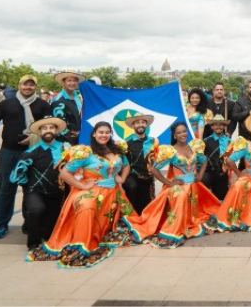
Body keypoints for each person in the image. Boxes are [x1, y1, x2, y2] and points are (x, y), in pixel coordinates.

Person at [28, 121, 134, 268]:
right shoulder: (86, 152)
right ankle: (84, 241)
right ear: (94, 134)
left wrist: (120, 179)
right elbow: (65, 174)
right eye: (100, 132)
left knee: (133, 224)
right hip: (93, 190)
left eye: (106, 132)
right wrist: (82, 185)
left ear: (110, 134)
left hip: (114, 192)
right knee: (87, 206)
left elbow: (126, 165)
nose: (104, 135)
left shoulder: (117, 150)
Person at [124, 122, 220, 248]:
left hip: (194, 185)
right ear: (174, 135)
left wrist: (200, 175)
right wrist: (169, 182)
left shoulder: (194, 146)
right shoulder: (170, 151)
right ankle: (174, 228)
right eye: (179, 132)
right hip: (179, 186)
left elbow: (204, 160)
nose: (183, 134)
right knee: (182, 195)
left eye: (184, 131)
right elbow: (153, 169)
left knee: (214, 208)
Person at [0, 74, 51, 239]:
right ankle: (1, 223)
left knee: (31, 189)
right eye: (25, 84)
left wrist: (35, 138)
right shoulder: (6, 104)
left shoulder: (42, 105)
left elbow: (49, 128)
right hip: (9, 152)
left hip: (33, 152)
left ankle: (30, 222)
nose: (28, 88)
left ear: (35, 87)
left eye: (31, 85)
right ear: (19, 85)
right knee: (6, 189)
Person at [9, 116, 69, 250]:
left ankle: (47, 234)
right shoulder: (31, 152)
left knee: (50, 233)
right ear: (40, 132)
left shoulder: (66, 149)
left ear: (56, 130)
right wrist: (28, 184)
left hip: (58, 194)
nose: (48, 131)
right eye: (44, 128)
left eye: (51, 127)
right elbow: (14, 176)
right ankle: (33, 243)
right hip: (36, 192)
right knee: (36, 209)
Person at [121, 113, 159, 215]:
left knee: (145, 208)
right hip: (132, 176)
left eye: (143, 122)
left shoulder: (153, 141)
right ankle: (130, 215)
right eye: (137, 123)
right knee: (132, 187)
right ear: (133, 126)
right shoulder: (127, 143)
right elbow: (123, 163)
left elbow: (157, 159)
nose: (140, 125)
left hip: (147, 178)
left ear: (146, 125)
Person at [202, 114, 233, 200]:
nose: (218, 126)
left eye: (221, 124)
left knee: (221, 196)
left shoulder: (229, 141)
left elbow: (232, 157)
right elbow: (203, 158)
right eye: (215, 124)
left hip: (224, 172)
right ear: (211, 126)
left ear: (224, 126)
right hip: (210, 171)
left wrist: (227, 168)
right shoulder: (206, 141)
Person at [50, 70, 84, 145]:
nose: (72, 83)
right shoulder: (58, 100)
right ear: (63, 82)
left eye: (75, 81)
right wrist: (72, 135)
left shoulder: (77, 97)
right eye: (69, 80)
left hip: (79, 137)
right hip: (65, 141)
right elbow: (58, 123)